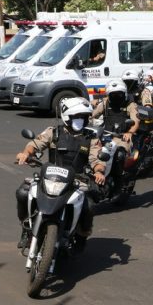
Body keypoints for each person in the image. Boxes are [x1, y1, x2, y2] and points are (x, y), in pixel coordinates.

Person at [14, 97, 106, 252]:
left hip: (77, 180)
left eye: (83, 117)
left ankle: (82, 237)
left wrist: (98, 171)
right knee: (23, 193)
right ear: (67, 117)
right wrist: (25, 154)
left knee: (88, 205)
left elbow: (96, 159)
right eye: (76, 117)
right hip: (49, 178)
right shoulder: (53, 132)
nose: (80, 121)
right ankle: (26, 229)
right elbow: (35, 144)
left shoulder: (91, 138)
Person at [92, 79, 139, 154]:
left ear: (125, 94)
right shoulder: (105, 103)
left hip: (122, 136)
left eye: (119, 94)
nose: (116, 96)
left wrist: (130, 132)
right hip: (105, 135)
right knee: (89, 148)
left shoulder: (130, 105)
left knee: (120, 153)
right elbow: (92, 115)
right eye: (113, 95)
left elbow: (136, 121)